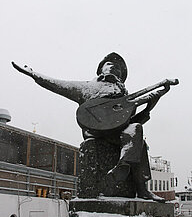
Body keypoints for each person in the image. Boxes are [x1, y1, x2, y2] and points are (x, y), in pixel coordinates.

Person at [12, 53, 170, 202]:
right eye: (109, 64)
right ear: (101, 68)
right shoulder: (88, 87)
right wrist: (34, 75)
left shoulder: (125, 96)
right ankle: (129, 180)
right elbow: (58, 85)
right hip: (95, 132)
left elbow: (129, 121)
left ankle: (135, 181)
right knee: (136, 141)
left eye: (118, 68)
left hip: (117, 133)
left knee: (136, 131)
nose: (113, 67)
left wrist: (151, 104)